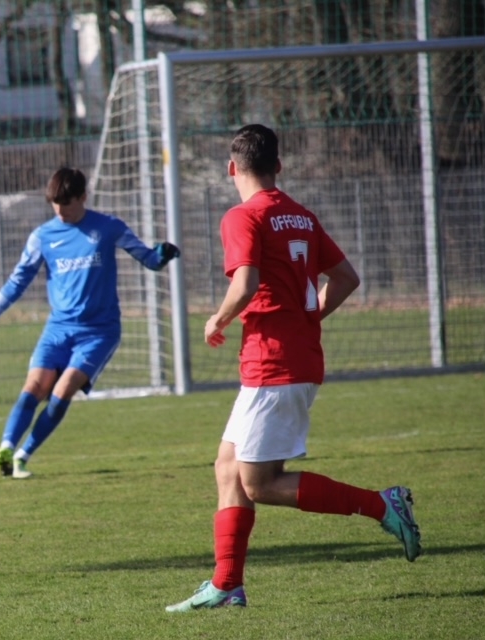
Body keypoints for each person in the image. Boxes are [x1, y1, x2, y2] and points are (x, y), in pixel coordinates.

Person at [165, 124, 421, 613]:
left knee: (258, 483)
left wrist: (217, 319)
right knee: (227, 467)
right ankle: (226, 585)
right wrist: (308, 317)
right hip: (291, 358)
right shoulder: (300, 215)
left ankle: (381, 504)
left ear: (232, 168)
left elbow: (245, 283)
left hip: (273, 363)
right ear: (278, 166)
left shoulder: (243, 215)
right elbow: (346, 278)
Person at [0, 166, 180, 479]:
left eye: (66, 203)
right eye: (55, 203)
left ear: (83, 197)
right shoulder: (42, 237)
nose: (60, 210)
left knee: (63, 389)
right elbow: (17, 282)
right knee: (34, 386)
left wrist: (161, 255)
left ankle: (23, 457)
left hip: (99, 332)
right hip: (58, 330)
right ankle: (7, 448)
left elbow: (148, 259)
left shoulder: (108, 227)